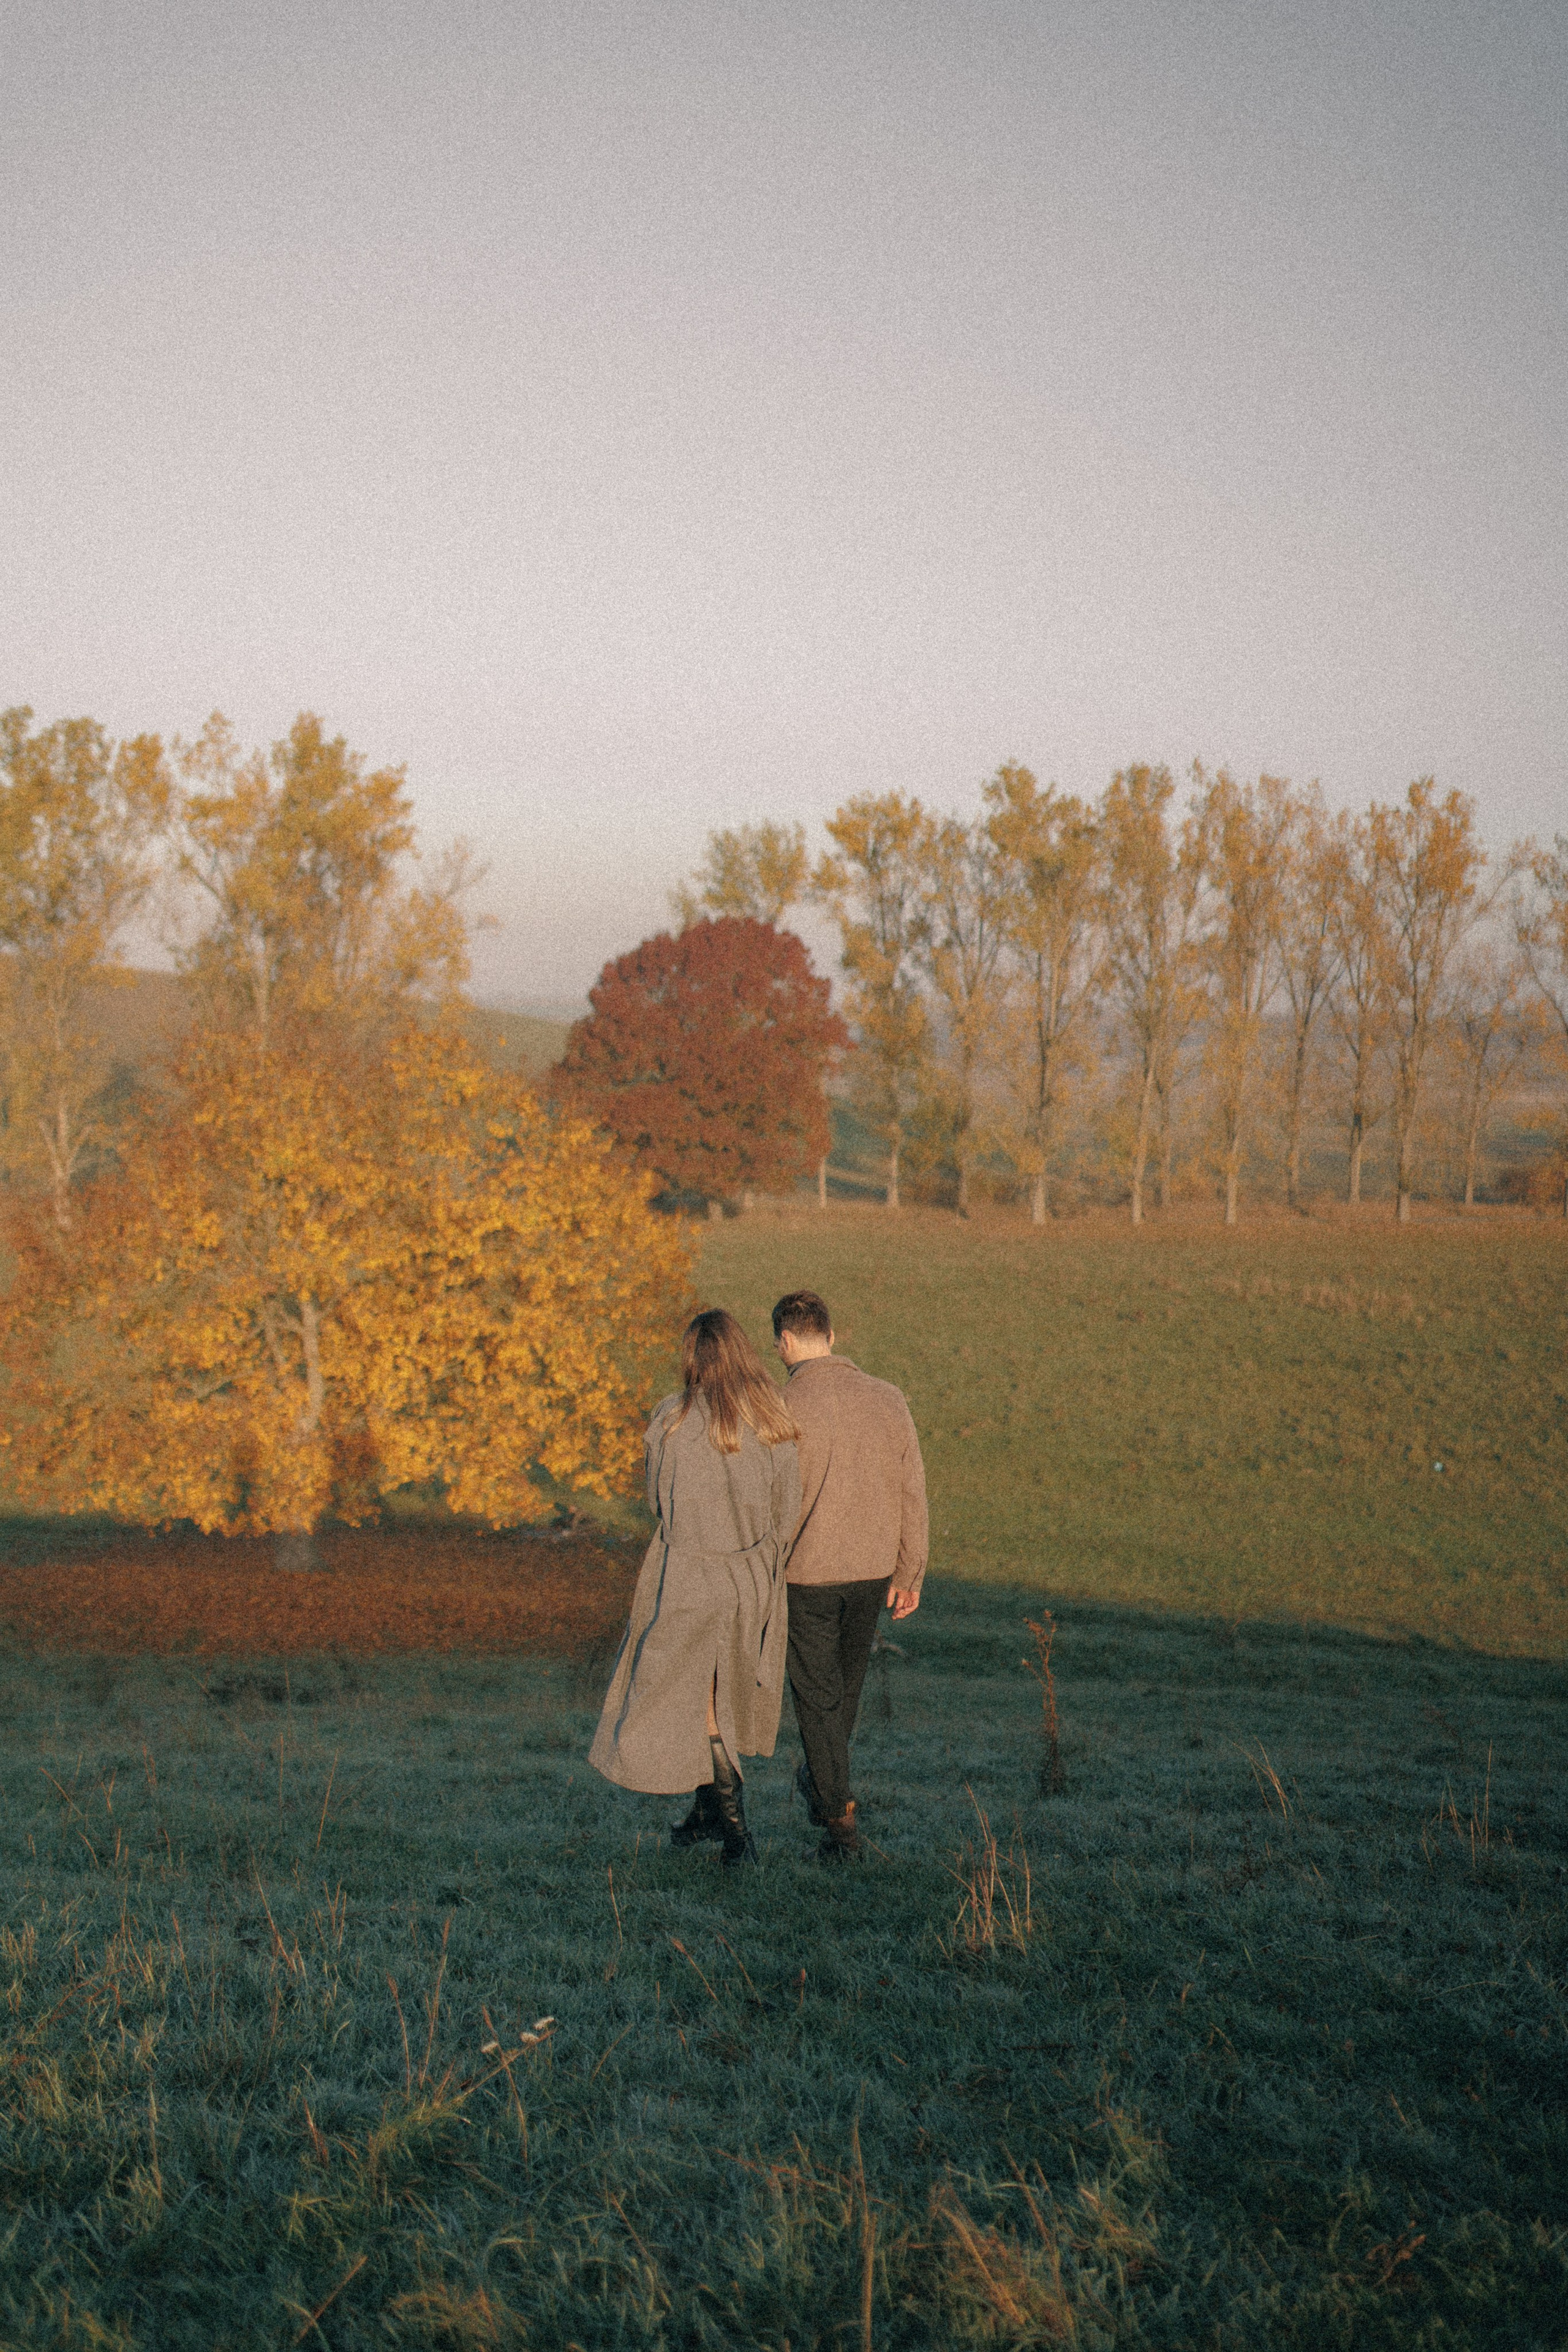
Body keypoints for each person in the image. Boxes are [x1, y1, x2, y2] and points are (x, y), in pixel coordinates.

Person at [589, 1308, 801, 1867]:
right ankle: (708, 1813)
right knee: (712, 1694)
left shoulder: (672, 1417)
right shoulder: (771, 1417)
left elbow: (657, 1500)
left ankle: (737, 1835)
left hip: (687, 1575)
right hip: (750, 1577)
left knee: (700, 1702)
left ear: (693, 1357)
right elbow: (787, 1511)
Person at [772, 1289, 927, 1861]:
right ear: (832, 1337)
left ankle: (840, 1825)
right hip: (873, 1571)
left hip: (806, 1573)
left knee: (818, 1699)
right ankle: (826, 1785)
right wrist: (911, 1570)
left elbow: (770, 1499)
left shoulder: (780, 1405)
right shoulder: (889, 1398)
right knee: (845, 1692)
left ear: (785, 1342)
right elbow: (913, 1490)